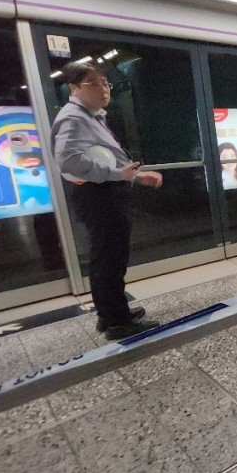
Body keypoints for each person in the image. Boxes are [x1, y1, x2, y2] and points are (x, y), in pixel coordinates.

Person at [51, 62, 163, 340]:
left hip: (103, 192)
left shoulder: (91, 116)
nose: (103, 89)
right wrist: (116, 174)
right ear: (74, 88)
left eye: (105, 82)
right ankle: (118, 321)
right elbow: (68, 161)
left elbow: (108, 158)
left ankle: (109, 313)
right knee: (110, 258)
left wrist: (135, 177)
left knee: (107, 256)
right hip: (99, 196)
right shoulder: (73, 118)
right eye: (94, 83)